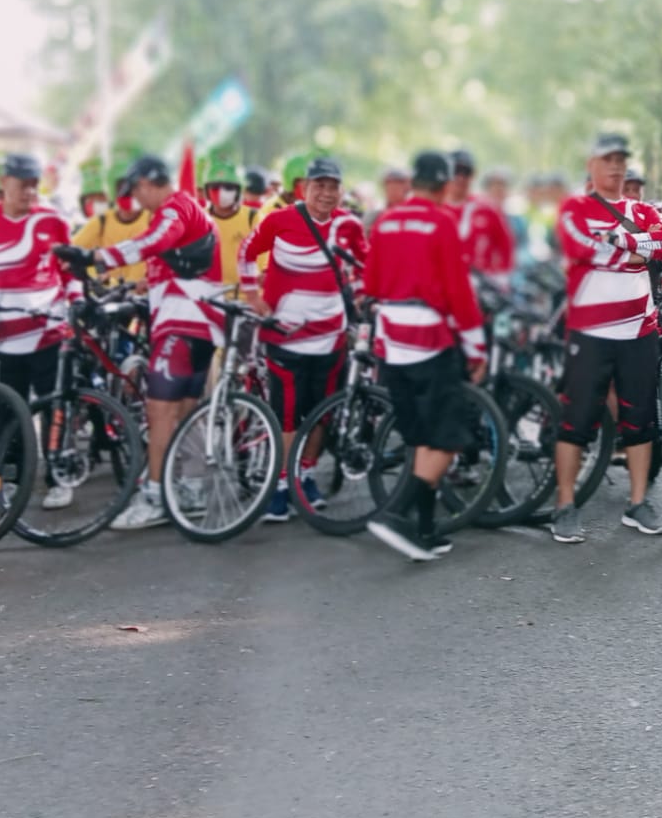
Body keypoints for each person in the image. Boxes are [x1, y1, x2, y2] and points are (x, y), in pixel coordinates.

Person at [56, 154, 224, 531]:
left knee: (159, 413)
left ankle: (154, 496)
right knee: (185, 412)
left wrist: (96, 257)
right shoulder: (187, 210)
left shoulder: (173, 208)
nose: (135, 199)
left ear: (148, 183)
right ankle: (191, 490)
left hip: (182, 324)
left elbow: (154, 241)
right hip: (200, 325)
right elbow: (169, 265)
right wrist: (135, 292)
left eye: (135, 190)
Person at [362, 152, 488, 561]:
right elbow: (458, 291)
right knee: (448, 437)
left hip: (391, 340)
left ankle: (426, 529)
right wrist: (476, 348)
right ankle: (395, 514)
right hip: (429, 338)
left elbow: (372, 283)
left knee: (420, 436)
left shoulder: (385, 221)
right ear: (445, 183)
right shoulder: (441, 222)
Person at [552, 132, 662, 542]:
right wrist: (638, 250)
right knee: (576, 420)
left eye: (621, 159)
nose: (616, 166)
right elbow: (582, 248)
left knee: (639, 420)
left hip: (640, 330)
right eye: (607, 158)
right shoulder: (575, 207)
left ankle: (638, 502)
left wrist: (621, 241)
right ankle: (565, 505)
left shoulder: (643, 210)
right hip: (590, 332)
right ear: (591, 164)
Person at [0, 154, 80, 510]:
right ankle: (11, 479)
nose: (29, 191)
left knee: (53, 404)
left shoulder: (53, 221)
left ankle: (59, 476)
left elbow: (68, 269)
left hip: (49, 330)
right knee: (11, 408)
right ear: (4, 181)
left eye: (33, 184)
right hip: (5, 335)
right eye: (22, 183)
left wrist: (77, 300)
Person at [239, 156, 356, 522]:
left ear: (340, 190)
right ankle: (280, 483)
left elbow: (365, 266)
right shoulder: (279, 220)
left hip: (332, 339)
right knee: (286, 415)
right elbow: (247, 252)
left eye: (332, 186)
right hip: (285, 337)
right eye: (318, 185)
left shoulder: (349, 226)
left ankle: (304, 474)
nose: (326, 193)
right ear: (303, 188)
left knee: (323, 412)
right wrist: (252, 295)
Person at [70, 156, 152, 286]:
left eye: (133, 189)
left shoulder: (152, 220)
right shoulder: (102, 221)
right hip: (108, 294)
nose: (128, 194)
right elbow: (74, 251)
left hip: (140, 296)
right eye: (121, 189)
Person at [445, 149, 515, 283]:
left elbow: (506, 246)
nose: (460, 177)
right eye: (455, 171)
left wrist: (499, 277)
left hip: (480, 284)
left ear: (473, 175)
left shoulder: (487, 209)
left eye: (466, 172)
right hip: (445, 284)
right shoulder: (436, 209)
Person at [202, 154, 259, 287]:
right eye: (215, 187)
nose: (221, 192)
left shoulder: (252, 218)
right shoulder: (200, 219)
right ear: (207, 190)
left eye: (228, 187)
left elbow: (264, 258)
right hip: (210, 295)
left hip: (245, 296)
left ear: (238, 190)